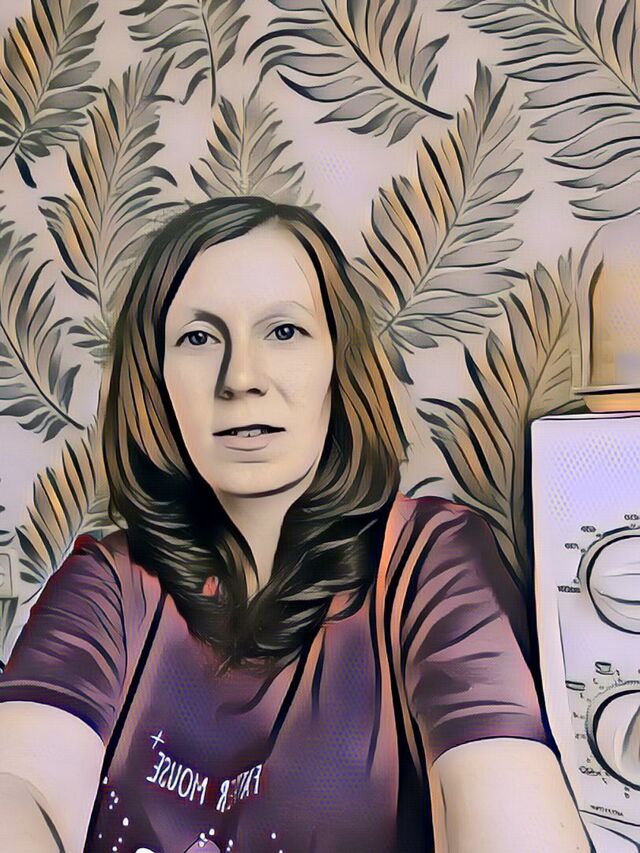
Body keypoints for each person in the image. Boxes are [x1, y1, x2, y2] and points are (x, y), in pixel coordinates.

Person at [0, 198, 591, 853]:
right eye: (198, 337)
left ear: (338, 364)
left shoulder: (432, 559)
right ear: (156, 379)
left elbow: (505, 790)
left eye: (283, 330)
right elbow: (20, 783)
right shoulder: (108, 580)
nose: (241, 379)